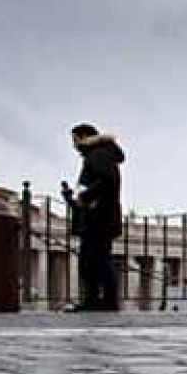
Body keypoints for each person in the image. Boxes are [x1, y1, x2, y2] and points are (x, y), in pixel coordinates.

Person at [63, 124, 125, 311]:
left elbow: (106, 181)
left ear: (84, 136)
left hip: (99, 218)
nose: (74, 145)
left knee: (95, 260)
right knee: (92, 260)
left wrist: (83, 196)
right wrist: (71, 197)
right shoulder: (100, 154)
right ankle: (97, 300)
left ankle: (103, 301)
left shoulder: (98, 154)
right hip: (99, 216)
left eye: (75, 139)